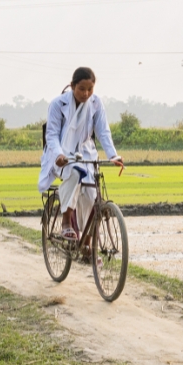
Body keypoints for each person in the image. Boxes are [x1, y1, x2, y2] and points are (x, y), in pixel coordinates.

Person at [38, 67, 124, 240]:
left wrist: (113, 155)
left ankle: (86, 243)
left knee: (91, 194)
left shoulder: (96, 103)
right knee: (76, 173)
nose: (86, 94)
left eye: (90, 89)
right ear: (72, 86)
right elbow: (52, 135)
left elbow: (103, 132)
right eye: (82, 89)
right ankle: (66, 221)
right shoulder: (57, 104)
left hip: (86, 153)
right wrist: (58, 155)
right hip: (62, 153)